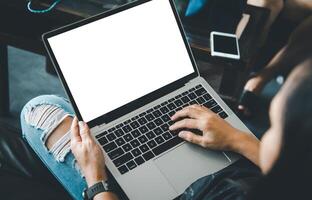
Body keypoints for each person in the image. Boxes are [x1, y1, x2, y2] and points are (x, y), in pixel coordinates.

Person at [21, 55, 312, 200]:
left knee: (40, 108)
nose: (263, 133)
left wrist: (96, 179)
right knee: (89, 117)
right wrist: (237, 139)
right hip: (231, 173)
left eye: (273, 126)